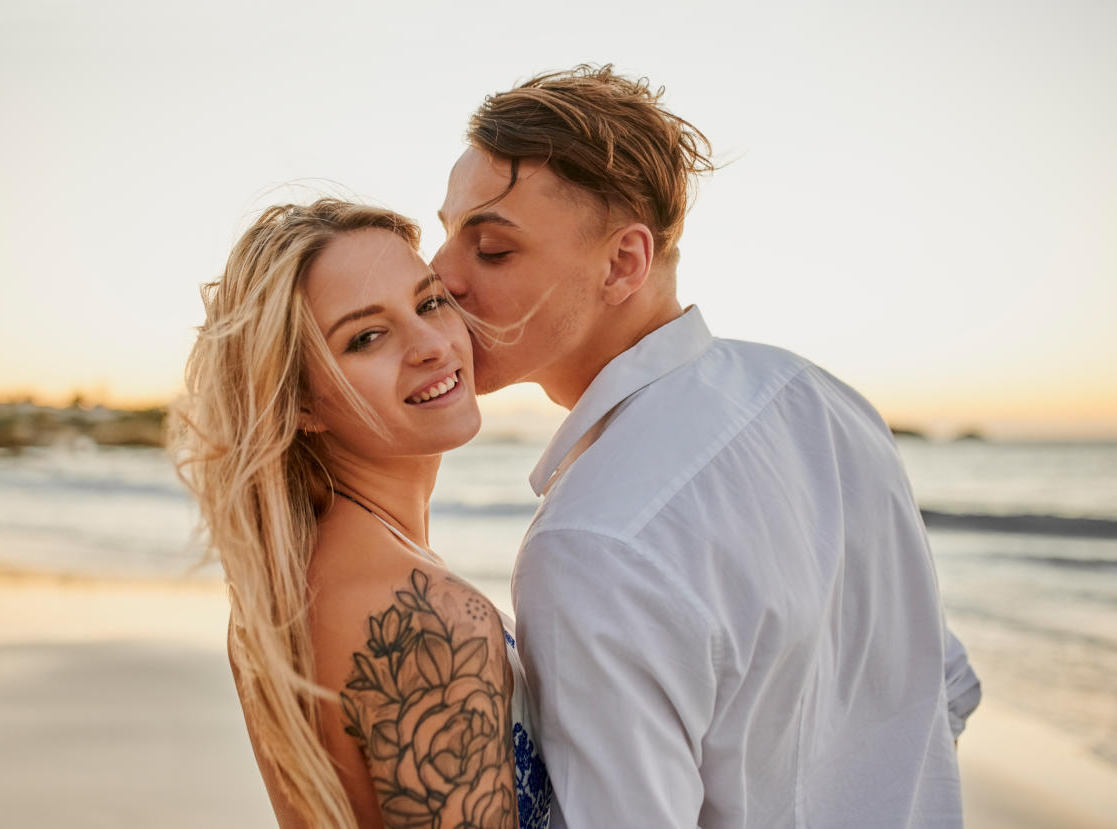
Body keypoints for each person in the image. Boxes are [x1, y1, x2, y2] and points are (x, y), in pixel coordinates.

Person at [431, 65, 982, 828]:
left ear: (624, 263)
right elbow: (943, 685)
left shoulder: (590, 544)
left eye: (490, 249)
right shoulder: (819, 396)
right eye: (446, 233)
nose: (438, 277)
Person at [173, 199, 552, 829]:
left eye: (429, 302)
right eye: (366, 337)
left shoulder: (286, 586)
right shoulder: (426, 620)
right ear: (299, 403)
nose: (431, 344)